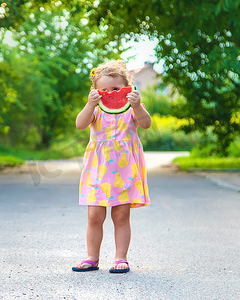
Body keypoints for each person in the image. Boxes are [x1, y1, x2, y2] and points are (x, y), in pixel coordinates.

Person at [72, 60, 151, 273]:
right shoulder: (96, 109)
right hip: (98, 169)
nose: (110, 93)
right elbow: (80, 124)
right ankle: (91, 256)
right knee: (94, 216)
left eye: (115, 89)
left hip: (125, 170)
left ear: (126, 87)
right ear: (95, 91)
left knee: (121, 216)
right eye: (103, 90)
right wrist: (90, 104)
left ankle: (120, 258)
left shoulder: (133, 107)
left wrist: (136, 105)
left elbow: (145, 123)